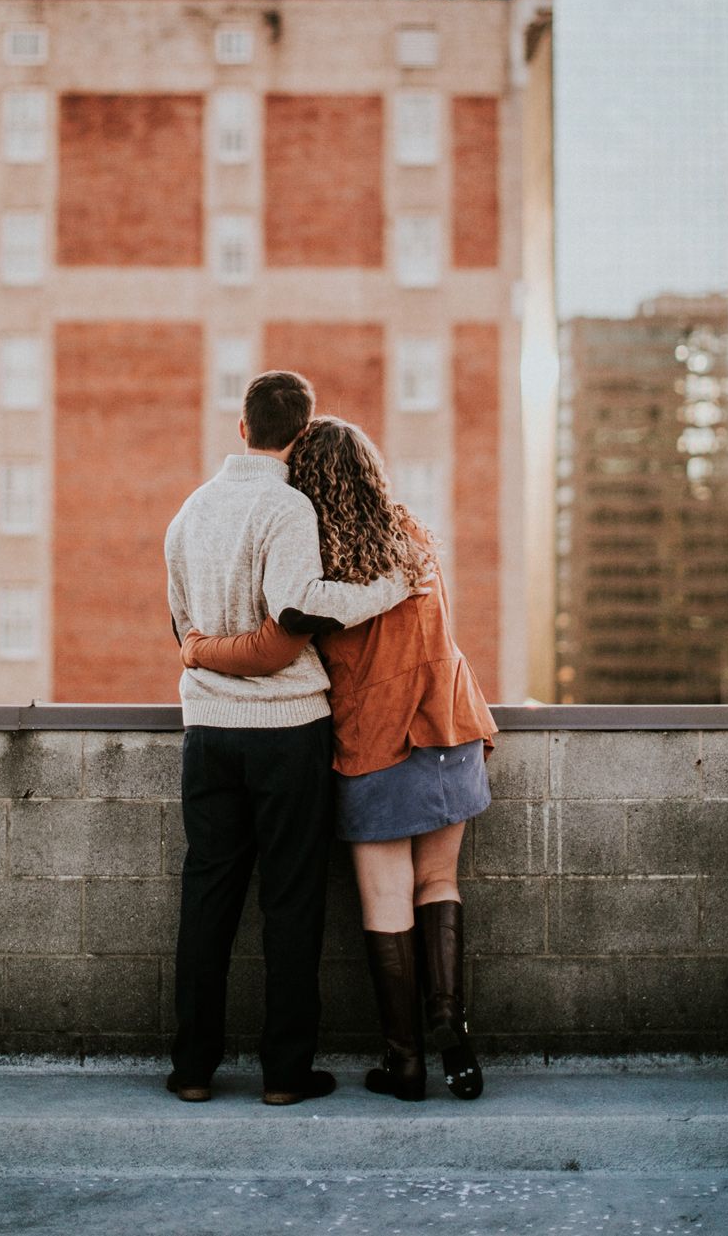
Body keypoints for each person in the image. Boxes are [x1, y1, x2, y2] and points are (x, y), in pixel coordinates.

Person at [182, 416, 497, 1102]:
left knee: (387, 897)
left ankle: (405, 1063)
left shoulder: (317, 558)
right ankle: (448, 1017)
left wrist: (198, 648)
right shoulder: (412, 538)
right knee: (438, 882)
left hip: (374, 741)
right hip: (450, 725)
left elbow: (279, 638)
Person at [165, 373, 417, 1107]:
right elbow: (298, 605)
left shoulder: (187, 513)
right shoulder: (289, 506)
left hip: (207, 730)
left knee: (206, 897)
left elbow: (183, 630)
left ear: (239, 428)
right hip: (286, 730)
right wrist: (386, 588)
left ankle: (191, 1068)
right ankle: (283, 1073)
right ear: (301, 436)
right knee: (292, 902)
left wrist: (205, 655)